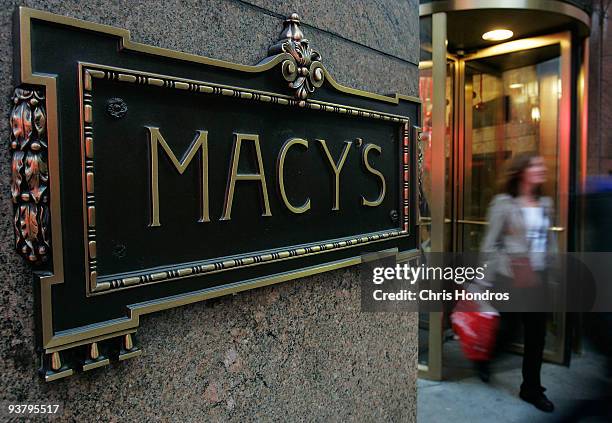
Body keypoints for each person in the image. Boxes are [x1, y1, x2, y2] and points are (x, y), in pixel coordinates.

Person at [479, 152, 556, 413]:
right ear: (522, 171)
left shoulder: (545, 203)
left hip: (539, 277)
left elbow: (548, 241)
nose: (541, 169)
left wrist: (554, 272)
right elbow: (490, 243)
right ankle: (485, 358)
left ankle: (531, 388)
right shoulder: (504, 203)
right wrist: (483, 280)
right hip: (510, 277)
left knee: (537, 336)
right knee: (508, 329)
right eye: (535, 165)